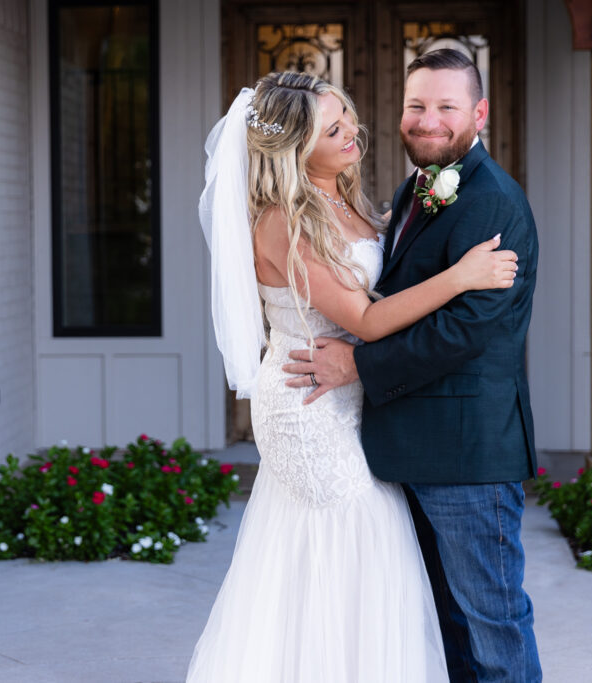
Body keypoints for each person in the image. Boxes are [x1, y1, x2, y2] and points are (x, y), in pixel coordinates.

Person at [189, 69, 519, 682]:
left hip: (352, 398)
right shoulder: (281, 221)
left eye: (348, 118)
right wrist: (461, 276)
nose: (352, 134)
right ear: (293, 148)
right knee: (351, 553)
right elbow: (366, 321)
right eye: (331, 129)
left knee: (366, 560)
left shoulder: (350, 200)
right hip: (308, 403)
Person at [284, 49, 542, 681]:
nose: (427, 120)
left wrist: (358, 364)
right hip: (412, 448)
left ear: (479, 112)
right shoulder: (413, 189)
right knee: (446, 625)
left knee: (493, 623)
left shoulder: (493, 203)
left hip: (465, 454)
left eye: (446, 107)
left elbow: (467, 332)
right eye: (416, 106)